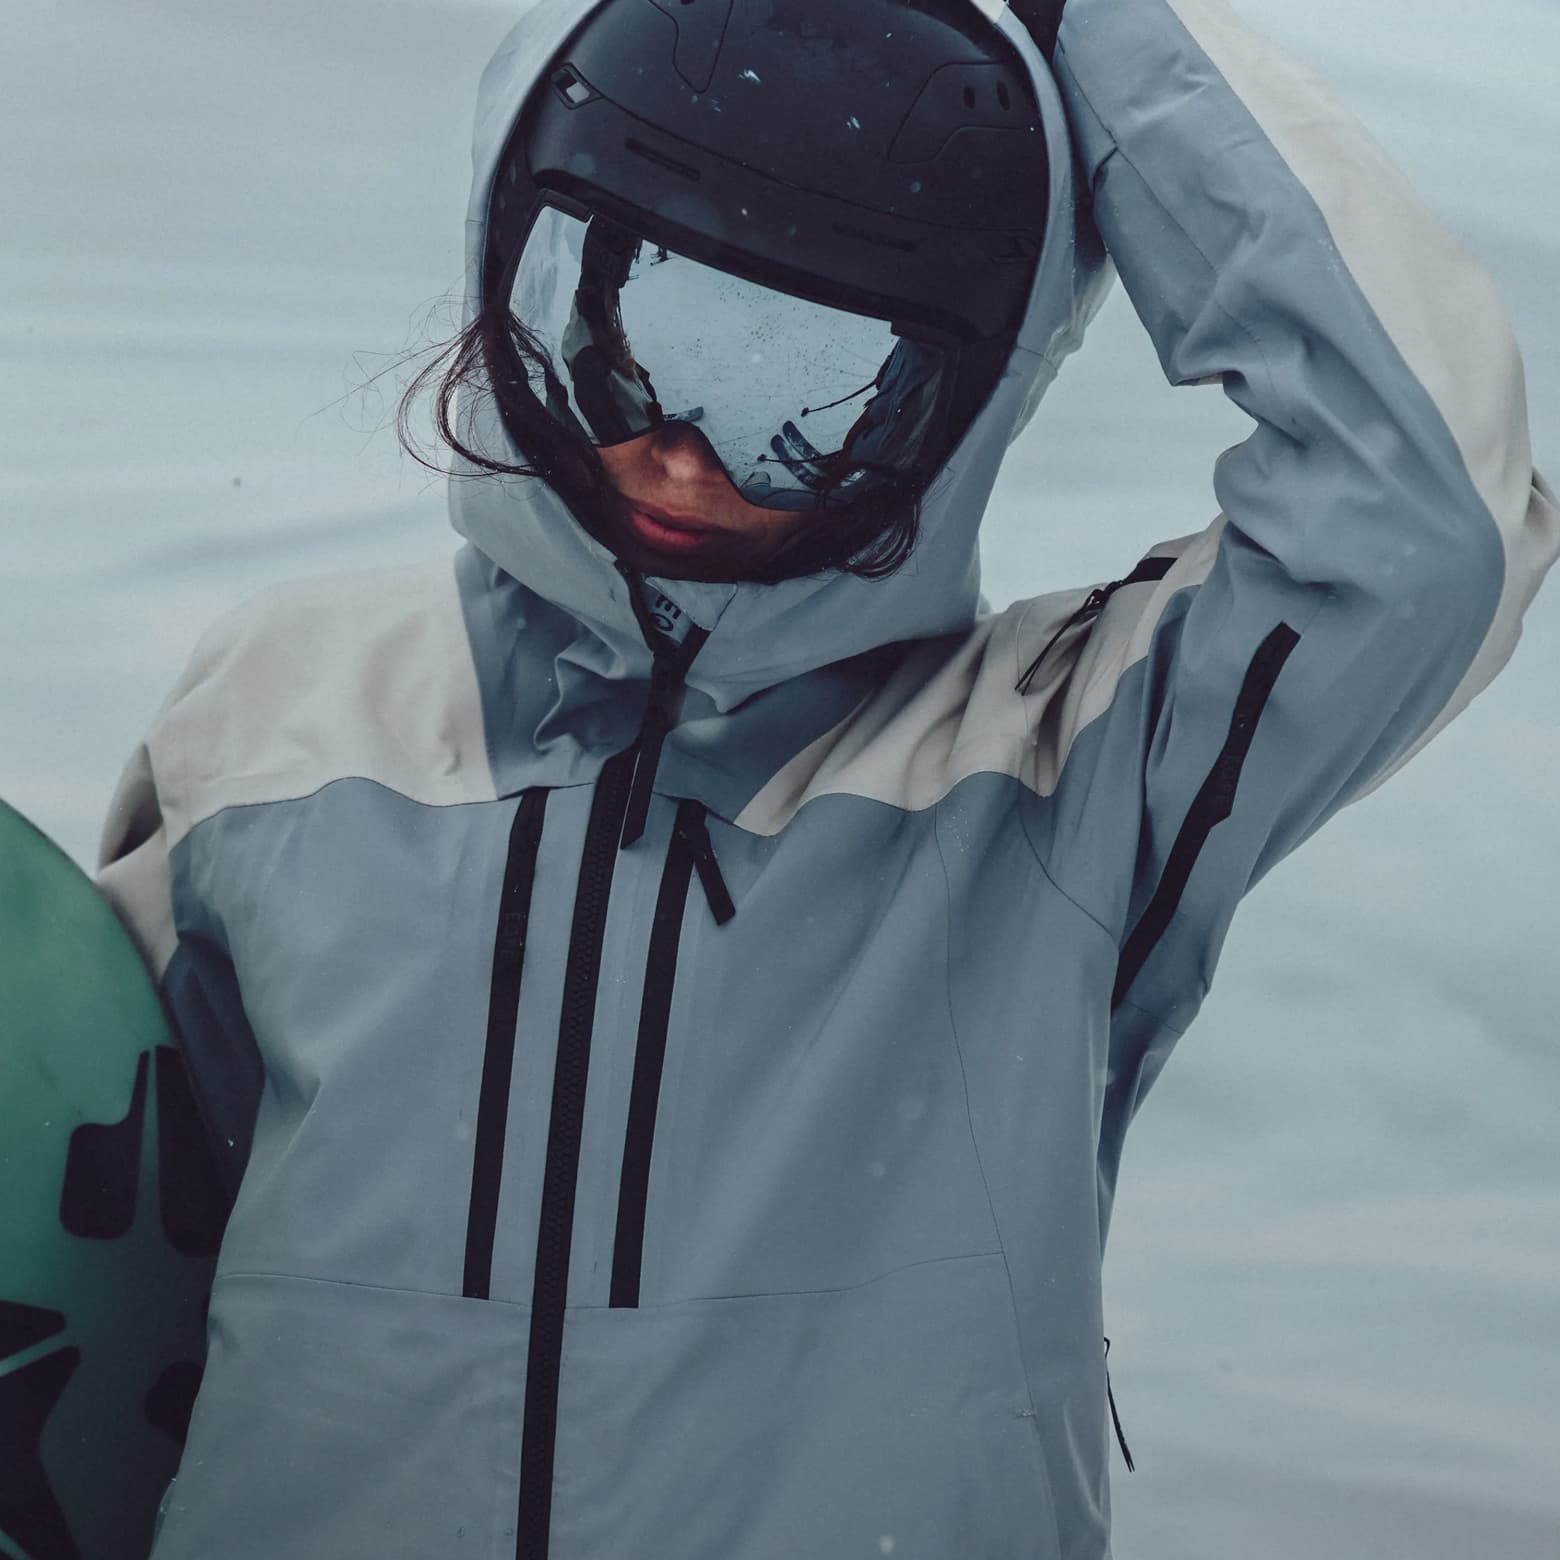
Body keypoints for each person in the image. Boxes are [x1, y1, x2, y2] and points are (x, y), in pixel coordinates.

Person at [97, 0, 1556, 1555]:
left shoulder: (1064, 777)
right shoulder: (284, 716)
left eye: (807, 395)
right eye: (619, 341)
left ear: (966, 399)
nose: (679, 456)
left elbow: (1418, 524)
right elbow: (107, 1264)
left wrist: (1093, 29)